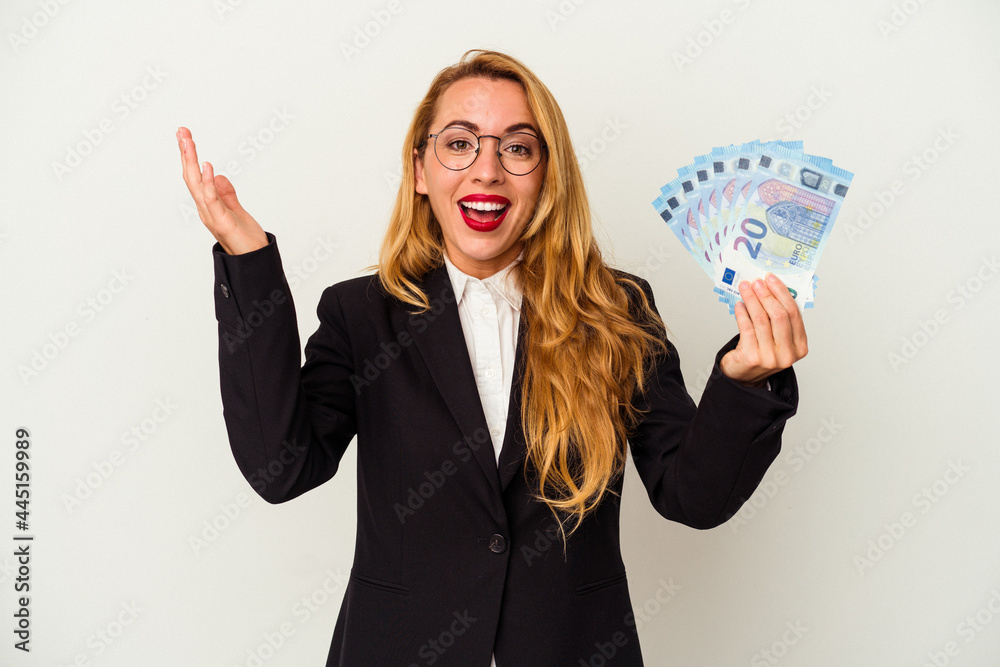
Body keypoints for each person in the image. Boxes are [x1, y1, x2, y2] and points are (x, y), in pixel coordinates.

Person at [177, 49, 805, 667]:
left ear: (547, 176)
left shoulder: (617, 309)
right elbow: (282, 469)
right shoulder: (360, 314)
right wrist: (248, 261)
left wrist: (744, 381)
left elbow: (692, 497)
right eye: (459, 144)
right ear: (420, 170)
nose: (487, 171)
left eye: (518, 148)